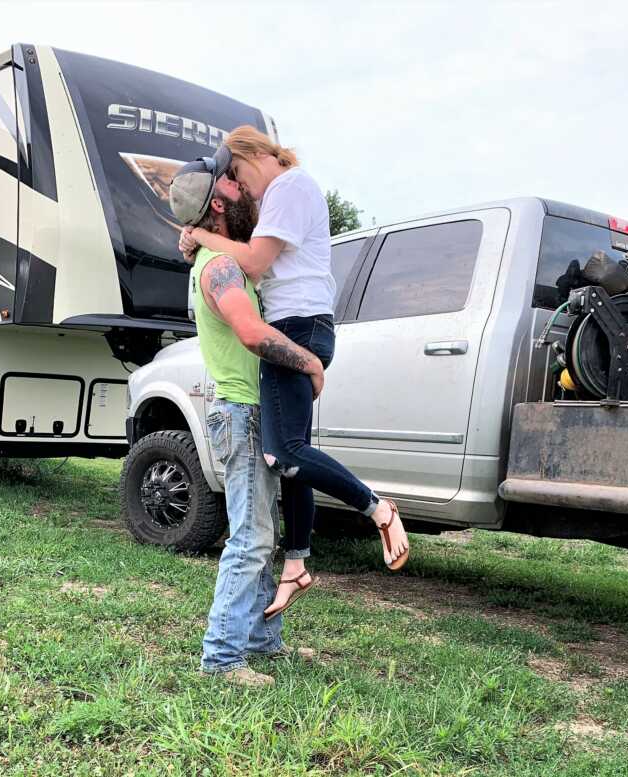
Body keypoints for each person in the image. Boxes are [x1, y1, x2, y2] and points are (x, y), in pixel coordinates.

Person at [179, 128, 409, 620]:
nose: (245, 188)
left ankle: (378, 509)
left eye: (238, 173)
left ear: (254, 155)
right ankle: (297, 563)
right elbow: (254, 258)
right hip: (304, 324)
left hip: (296, 326)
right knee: (292, 456)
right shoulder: (284, 196)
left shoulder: (289, 186)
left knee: (285, 451)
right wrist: (200, 237)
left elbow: (257, 263)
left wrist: (200, 236)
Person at [169, 148, 322, 686]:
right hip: (240, 412)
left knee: (262, 530)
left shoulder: (219, 255)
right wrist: (309, 363)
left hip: (249, 410)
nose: (245, 188)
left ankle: (260, 639)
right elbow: (253, 334)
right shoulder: (221, 267)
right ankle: (222, 657)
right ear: (217, 201)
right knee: (251, 538)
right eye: (233, 183)